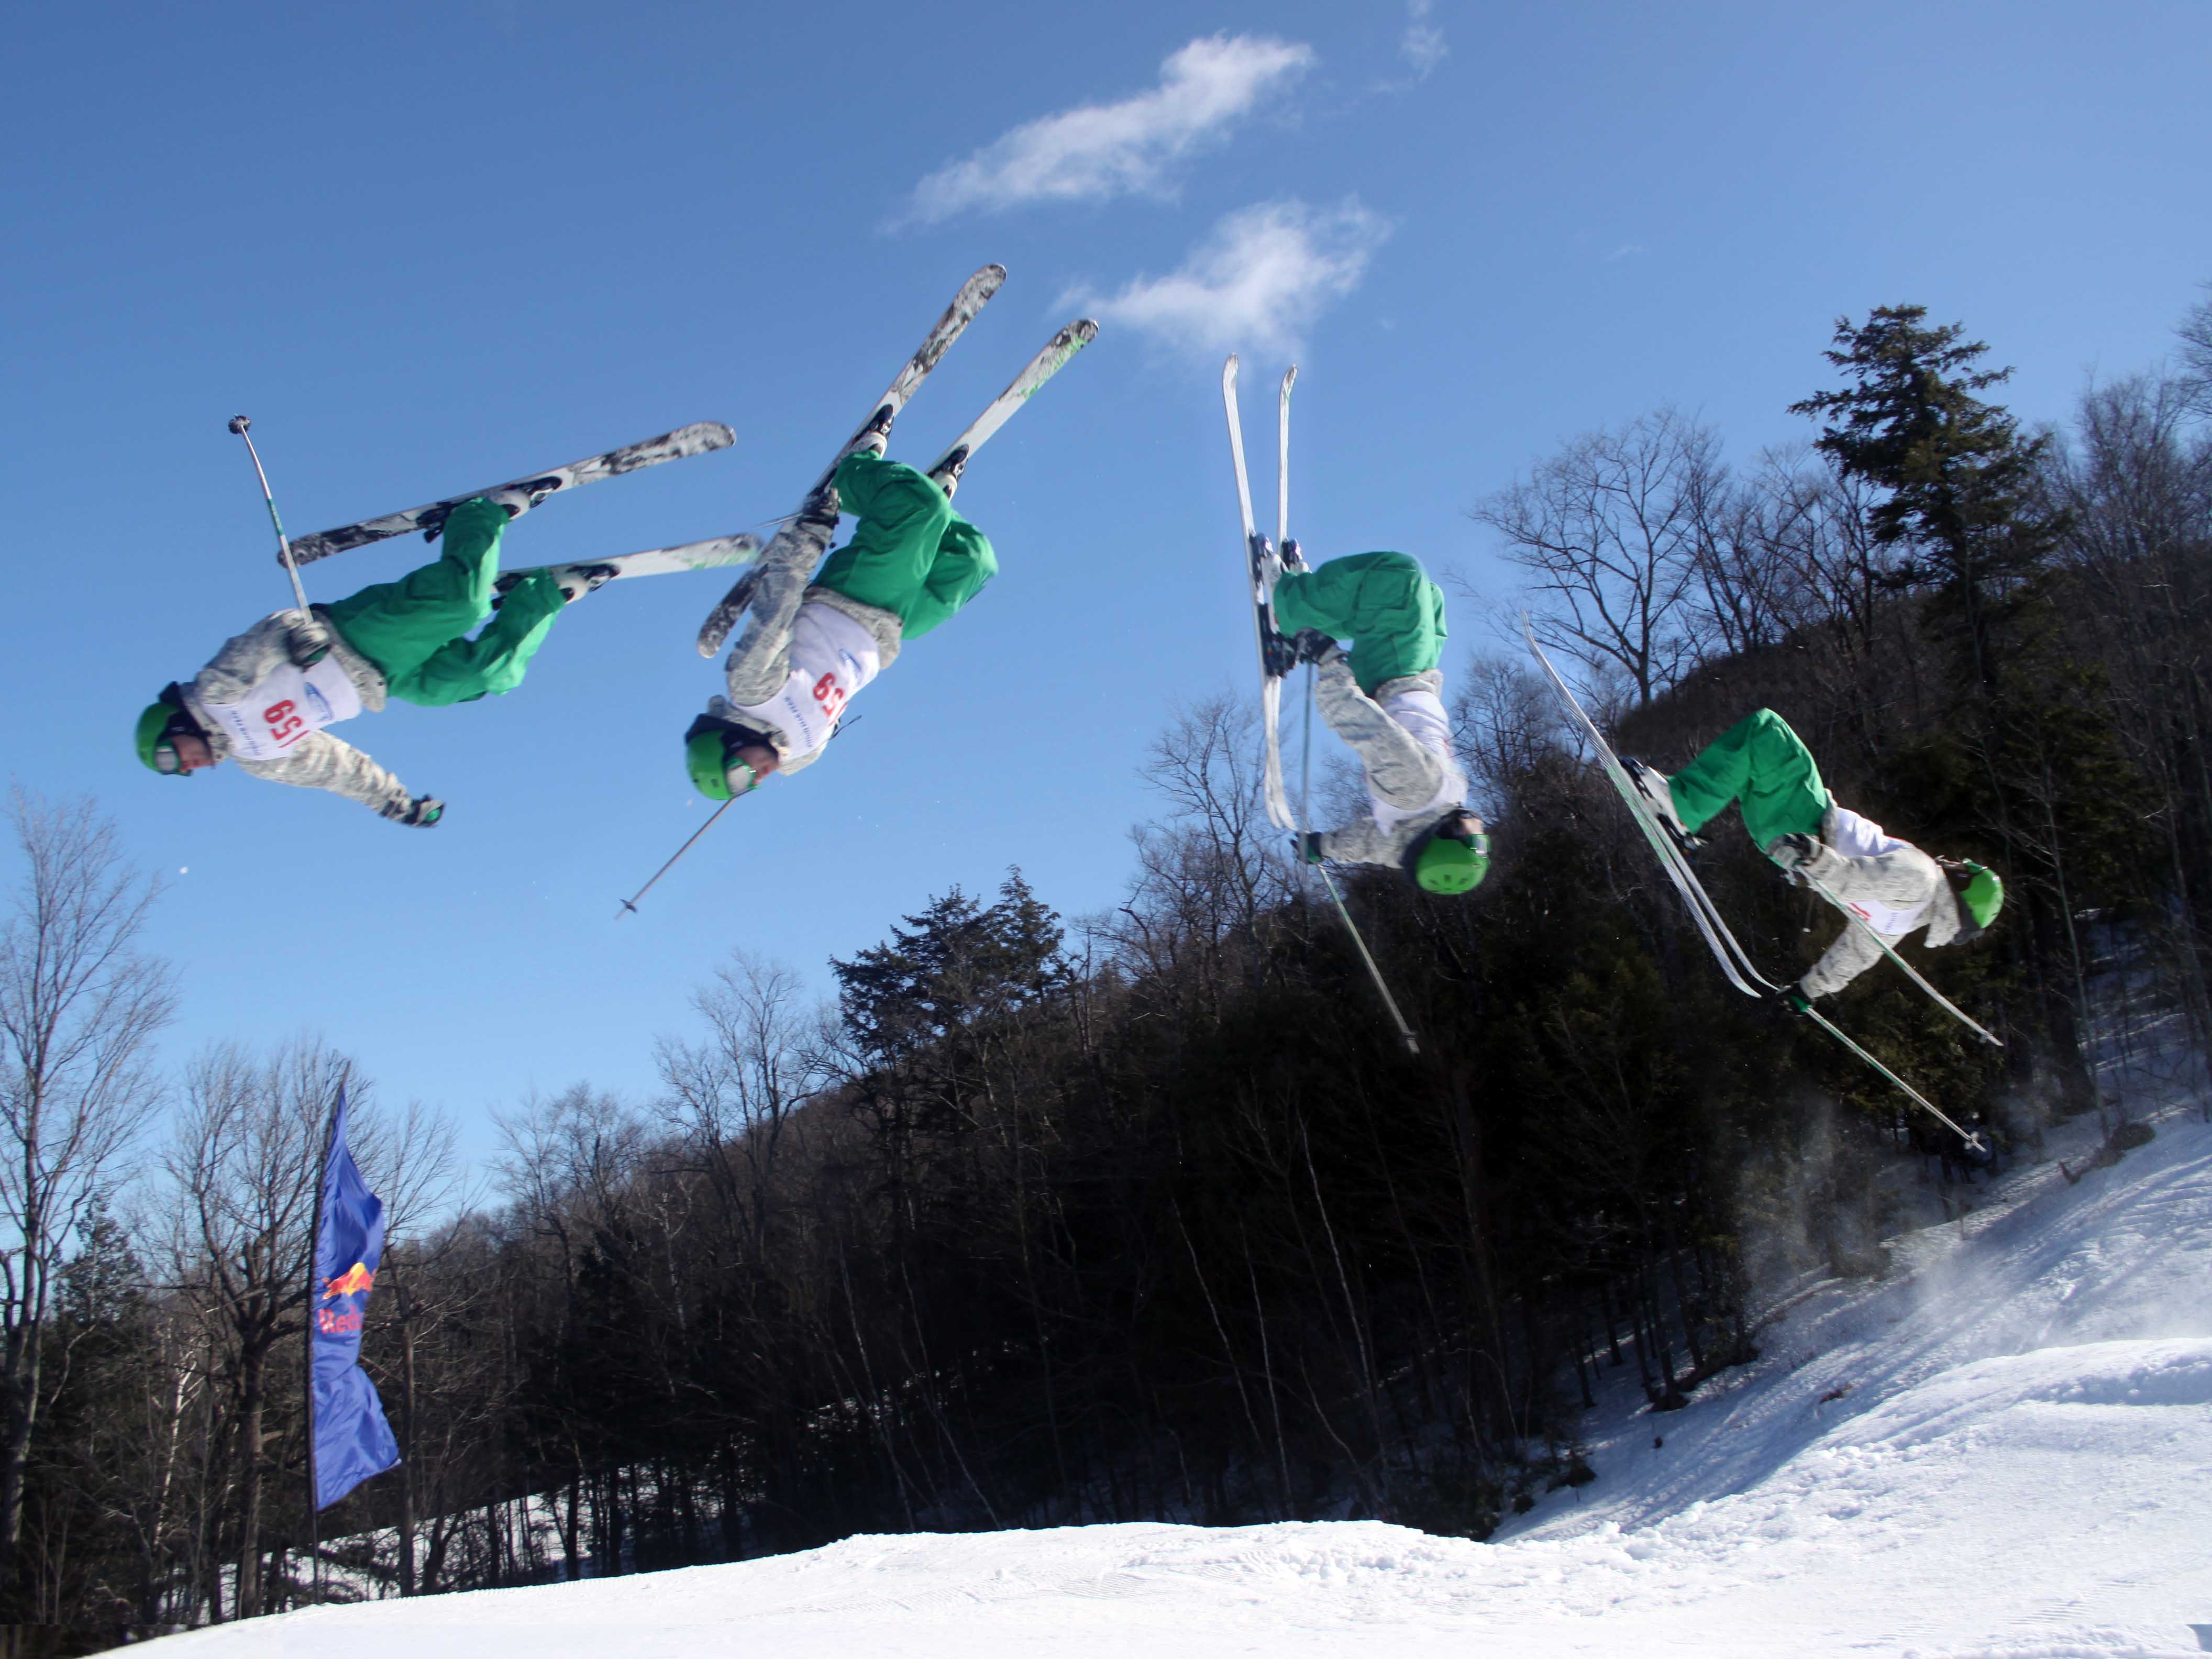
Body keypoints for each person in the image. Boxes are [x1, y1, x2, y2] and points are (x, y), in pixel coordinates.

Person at [132, 493, 605, 824]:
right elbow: (336, 769)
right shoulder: (258, 758)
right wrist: (394, 803)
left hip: (355, 638)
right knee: (482, 678)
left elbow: (270, 631)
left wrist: (300, 637)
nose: (186, 767)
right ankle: (542, 597)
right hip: (384, 684)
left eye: (170, 758)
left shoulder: (216, 693)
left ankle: (476, 517)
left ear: (173, 727)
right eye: (176, 773)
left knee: (462, 603)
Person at [684, 416, 994, 800]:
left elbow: (777, 606)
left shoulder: (752, 688)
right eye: (745, 788)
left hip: (852, 597)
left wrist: (811, 532)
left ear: (726, 742)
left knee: (920, 507)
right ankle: (920, 522)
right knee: (973, 561)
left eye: (738, 773)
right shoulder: (800, 757)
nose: (755, 778)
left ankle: (856, 472)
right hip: (891, 632)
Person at [1623, 708, 2004, 1008]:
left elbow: (1858, 878)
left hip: (1806, 826)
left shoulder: (1923, 878)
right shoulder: (1897, 925)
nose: (1951, 863)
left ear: (1963, 884)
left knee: (1767, 731)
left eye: (1959, 868)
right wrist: (1809, 991)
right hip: (1784, 845)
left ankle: (1681, 809)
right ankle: (1679, 810)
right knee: (1754, 757)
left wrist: (1816, 858)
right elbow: (1855, 955)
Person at [1274, 550, 1489, 896]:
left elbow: (1362, 725)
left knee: (1400, 576)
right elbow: (1365, 845)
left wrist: (1327, 656)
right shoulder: (1401, 841)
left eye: (1472, 832)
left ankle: (1288, 608)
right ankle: (1316, 607)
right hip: (1416, 677)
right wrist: (1320, 847)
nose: (1479, 822)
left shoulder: (1419, 785)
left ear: (1446, 839)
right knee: (1431, 602)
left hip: (1396, 675)